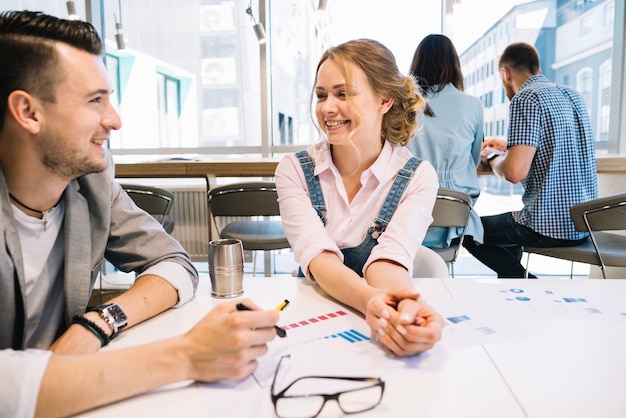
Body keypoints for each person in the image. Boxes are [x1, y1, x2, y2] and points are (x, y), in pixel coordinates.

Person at [0, 11, 278, 417]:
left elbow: (176, 263)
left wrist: (98, 323)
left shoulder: (90, 184)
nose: (114, 120)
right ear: (28, 112)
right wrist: (187, 355)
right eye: (95, 100)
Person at [275, 39, 444, 358]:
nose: (327, 108)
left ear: (384, 101)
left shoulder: (417, 177)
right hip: (310, 319)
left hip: (370, 326)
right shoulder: (294, 170)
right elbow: (319, 259)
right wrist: (371, 303)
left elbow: (388, 259)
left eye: (343, 93)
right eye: (321, 95)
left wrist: (405, 304)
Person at [463, 42, 599, 278]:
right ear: (537, 67)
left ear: (505, 73)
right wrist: (510, 145)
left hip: (547, 227)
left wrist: (493, 157)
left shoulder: (525, 98)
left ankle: (523, 281)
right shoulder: (572, 95)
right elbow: (558, 140)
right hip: (583, 224)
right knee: (506, 234)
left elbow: (514, 173)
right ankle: (513, 284)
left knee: (465, 231)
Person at [406, 33, 484, 249]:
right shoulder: (473, 105)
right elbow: (474, 159)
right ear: (454, 65)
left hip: (412, 210)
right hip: (455, 209)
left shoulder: (404, 105)